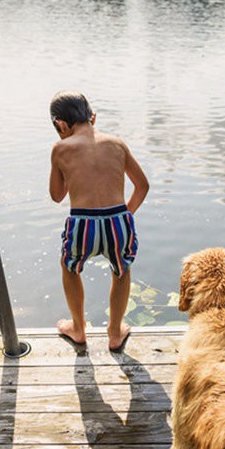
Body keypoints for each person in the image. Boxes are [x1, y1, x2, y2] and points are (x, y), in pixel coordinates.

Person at [49, 90, 149, 351]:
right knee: (122, 270)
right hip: (118, 220)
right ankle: (115, 333)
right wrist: (125, 217)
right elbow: (142, 186)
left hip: (83, 224)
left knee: (69, 267)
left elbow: (57, 196)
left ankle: (79, 328)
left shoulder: (61, 148)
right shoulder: (117, 143)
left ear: (60, 124)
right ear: (93, 117)